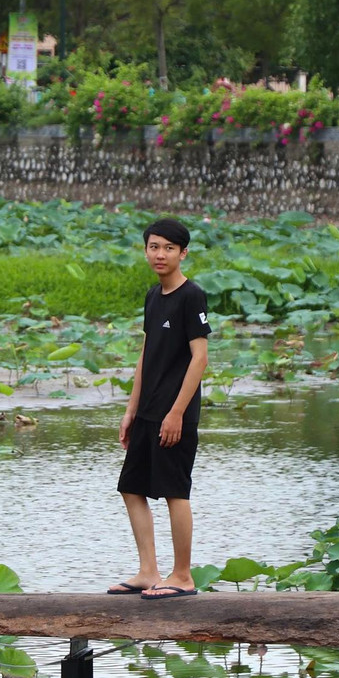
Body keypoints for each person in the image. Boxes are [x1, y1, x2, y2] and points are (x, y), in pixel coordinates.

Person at [109, 218, 211, 601]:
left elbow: (199, 359)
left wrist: (177, 413)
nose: (160, 254)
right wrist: (131, 409)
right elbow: (146, 355)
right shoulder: (154, 296)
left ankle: (182, 575)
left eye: (168, 248)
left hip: (175, 414)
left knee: (174, 492)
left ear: (183, 253)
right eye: (154, 246)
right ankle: (148, 570)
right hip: (148, 411)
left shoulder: (192, 296)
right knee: (131, 488)